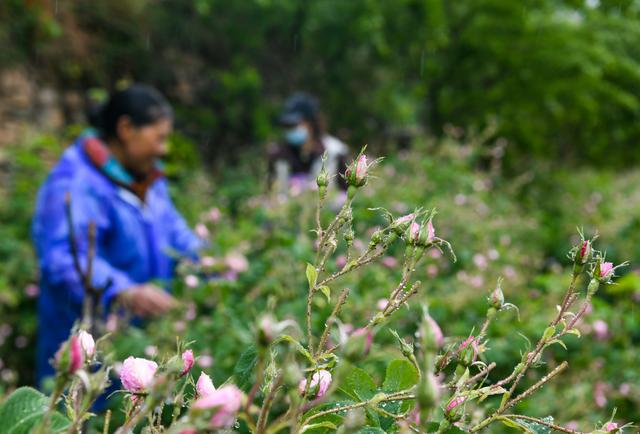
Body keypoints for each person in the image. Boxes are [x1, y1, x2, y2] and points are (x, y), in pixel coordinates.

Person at [32, 84, 202, 384]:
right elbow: (64, 256)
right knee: (76, 415)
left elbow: (174, 229)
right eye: (159, 138)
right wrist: (126, 291)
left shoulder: (148, 177)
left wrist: (210, 260)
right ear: (126, 128)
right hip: (84, 337)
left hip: (135, 339)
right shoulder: (75, 182)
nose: (164, 148)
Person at [268, 93, 349, 194]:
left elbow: (346, 191)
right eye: (287, 126)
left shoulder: (334, 150)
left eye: (294, 124)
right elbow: (271, 191)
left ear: (310, 123)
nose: (290, 130)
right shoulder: (279, 154)